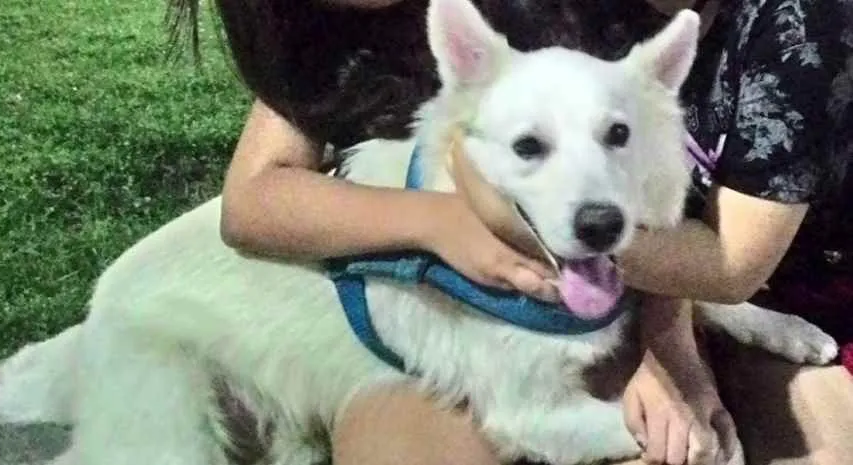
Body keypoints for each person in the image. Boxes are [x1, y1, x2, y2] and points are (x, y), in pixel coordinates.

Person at [167, 0, 853, 464]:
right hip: (441, 317)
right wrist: (442, 221)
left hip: (670, 284)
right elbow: (252, 201)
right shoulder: (322, 45)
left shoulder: (792, 29)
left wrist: (667, 345)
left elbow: (722, 261)